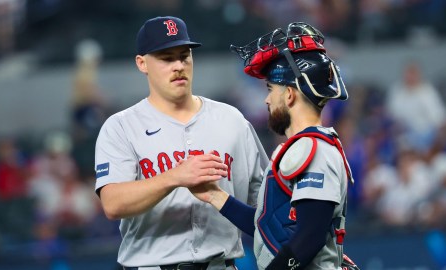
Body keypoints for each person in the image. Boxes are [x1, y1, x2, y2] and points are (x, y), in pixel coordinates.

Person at [94, 16, 269, 270]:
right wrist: (174, 177)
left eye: (184, 55)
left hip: (221, 264)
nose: (178, 65)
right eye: (166, 58)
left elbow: (265, 204)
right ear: (142, 63)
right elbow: (112, 203)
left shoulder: (232, 121)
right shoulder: (121, 126)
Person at [189, 22, 359, 269]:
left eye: (270, 89)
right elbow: (270, 226)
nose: (267, 100)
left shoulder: (315, 150)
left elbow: (309, 237)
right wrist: (216, 196)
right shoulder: (300, 148)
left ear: (289, 94)